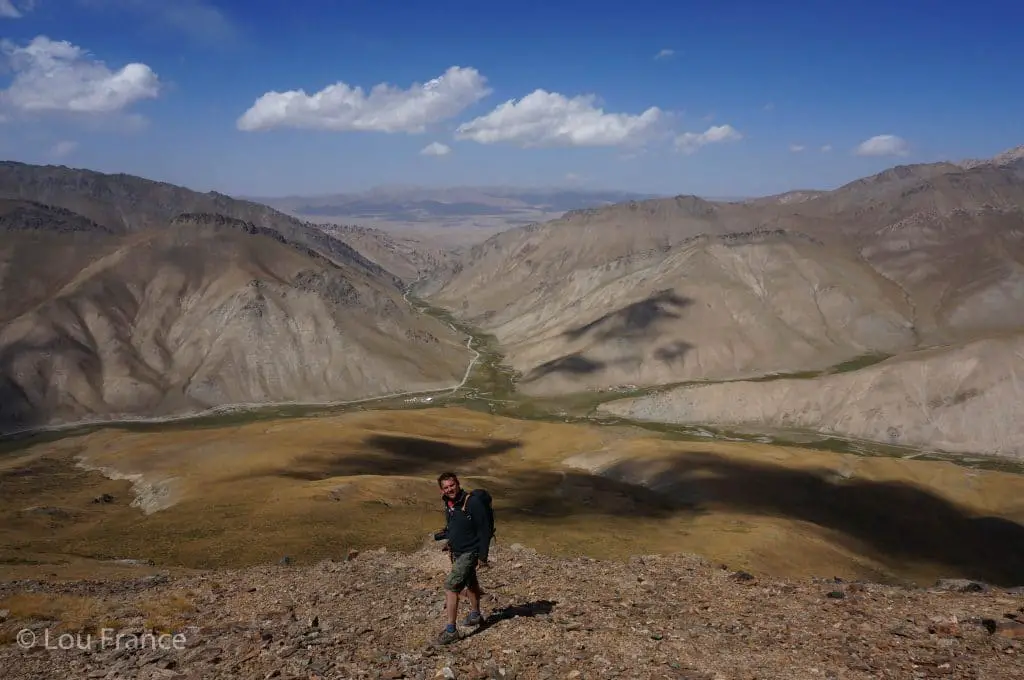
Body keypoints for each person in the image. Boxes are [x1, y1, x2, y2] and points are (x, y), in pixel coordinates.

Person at [435, 471, 492, 645]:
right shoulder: (449, 503)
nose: (450, 489)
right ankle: (475, 615)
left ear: (458, 484)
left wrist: (483, 556)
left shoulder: (472, 502)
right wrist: (449, 539)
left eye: (452, 485)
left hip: (470, 552)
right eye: (446, 487)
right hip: (457, 551)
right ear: (441, 490)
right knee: (471, 582)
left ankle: (451, 630)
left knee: (451, 586)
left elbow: (485, 530)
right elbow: (456, 524)